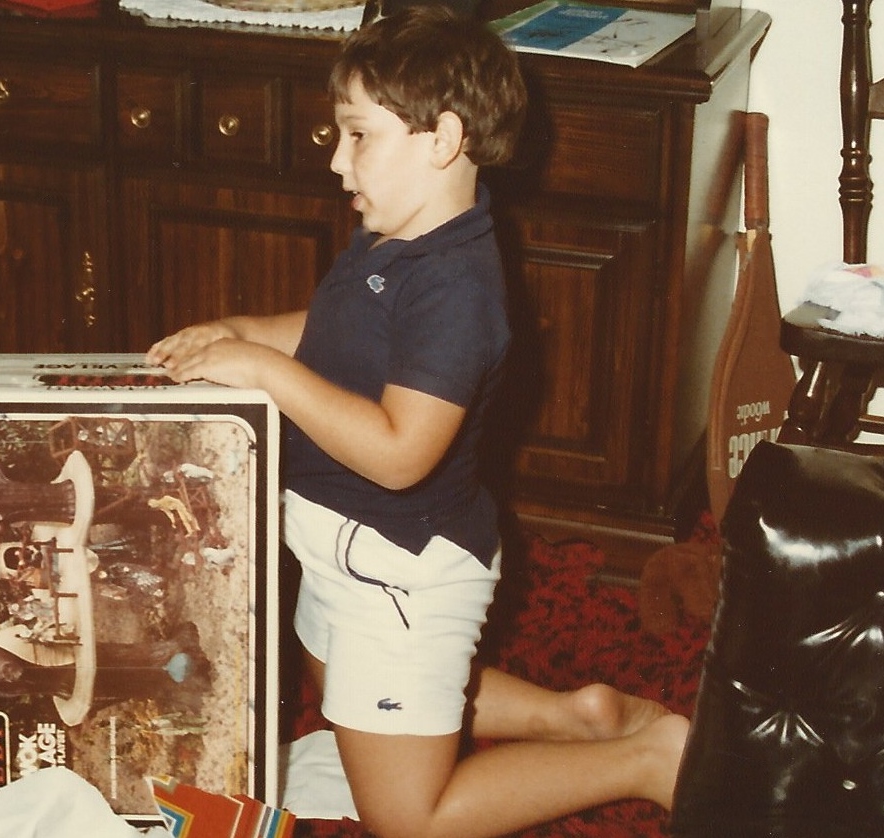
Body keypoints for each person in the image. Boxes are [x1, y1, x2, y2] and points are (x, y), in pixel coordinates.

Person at [146, 5, 689, 837]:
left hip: (400, 571)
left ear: (443, 140)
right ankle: (574, 716)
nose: (337, 160)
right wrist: (245, 331)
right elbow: (340, 333)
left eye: (358, 135)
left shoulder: (457, 291)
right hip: (341, 549)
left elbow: (402, 454)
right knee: (338, 687)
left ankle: (647, 760)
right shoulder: (394, 238)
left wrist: (265, 372)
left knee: (409, 818)